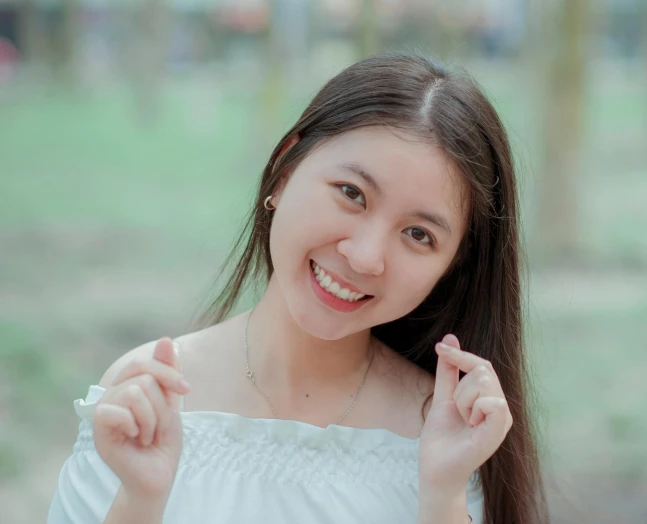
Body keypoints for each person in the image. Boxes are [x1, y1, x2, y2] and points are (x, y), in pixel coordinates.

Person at [46, 53, 548, 524]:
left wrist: (441, 495)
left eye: (418, 234)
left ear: (453, 264)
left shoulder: (446, 434)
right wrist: (140, 500)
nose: (365, 256)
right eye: (352, 194)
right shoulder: (146, 396)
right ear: (286, 170)